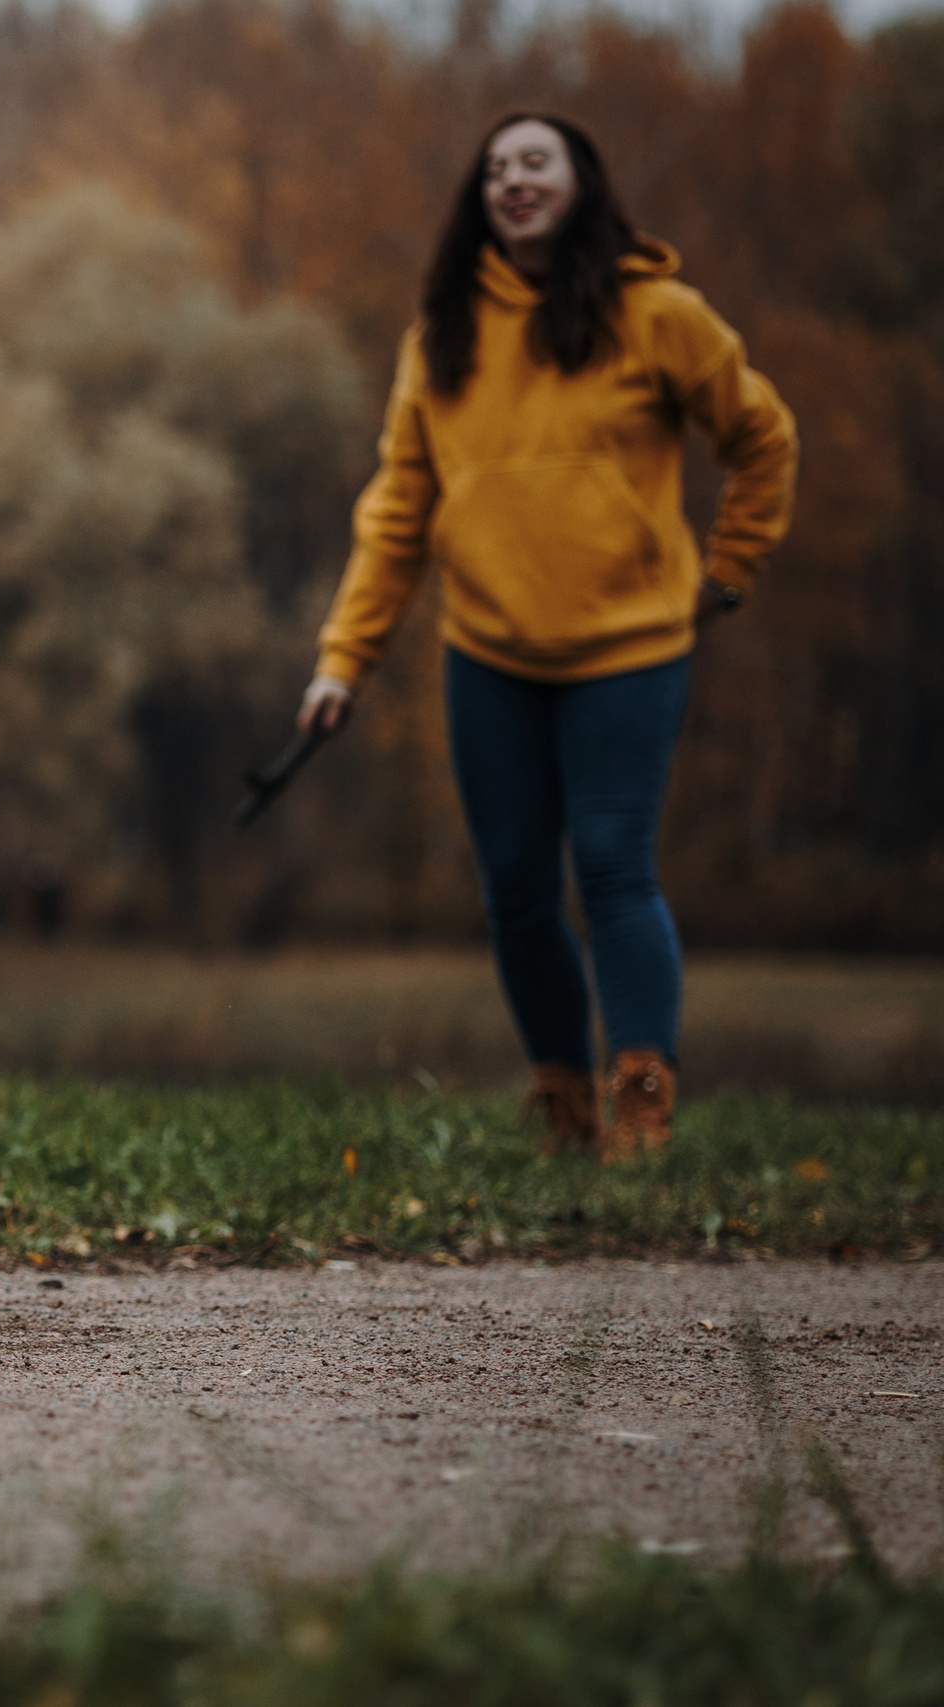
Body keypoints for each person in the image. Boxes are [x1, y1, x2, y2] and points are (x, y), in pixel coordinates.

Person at [298, 114, 797, 1161]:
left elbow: (762, 436)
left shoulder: (657, 314)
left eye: (535, 163)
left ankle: (642, 1099)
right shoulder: (441, 331)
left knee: (613, 866)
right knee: (516, 890)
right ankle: (566, 1103)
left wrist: (730, 571)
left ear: (581, 184)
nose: (511, 182)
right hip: (488, 654)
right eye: (493, 169)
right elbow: (397, 508)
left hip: (630, 648)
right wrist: (344, 659)